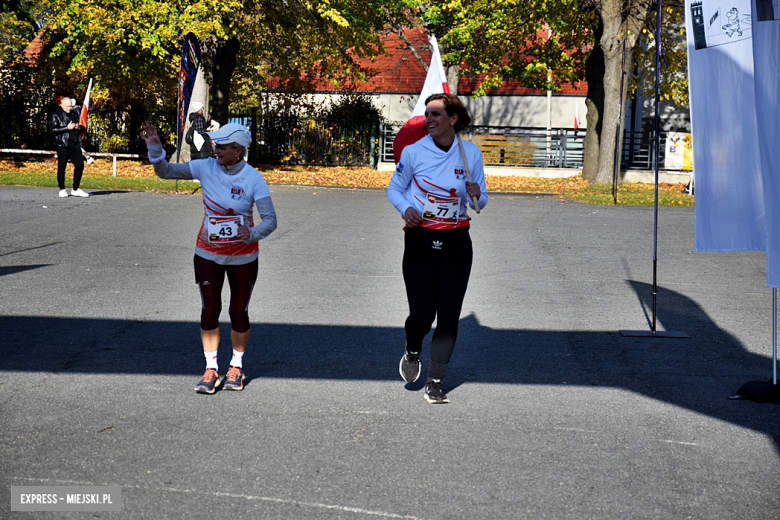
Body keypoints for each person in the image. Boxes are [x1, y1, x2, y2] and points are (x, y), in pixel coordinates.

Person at [140, 122, 277, 394]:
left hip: (243, 257)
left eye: (223, 146)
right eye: (216, 144)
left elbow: (270, 221)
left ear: (238, 151)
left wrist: (250, 233)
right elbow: (165, 172)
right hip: (207, 254)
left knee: (238, 312)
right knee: (209, 309)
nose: (216, 149)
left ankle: (236, 366)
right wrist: (155, 147)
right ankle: (211, 369)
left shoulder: (253, 178)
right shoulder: (205, 167)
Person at [386, 93, 488, 404]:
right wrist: (406, 208)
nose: (429, 119)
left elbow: (479, 202)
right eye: (427, 113)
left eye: (436, 114)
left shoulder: (469, 153)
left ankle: (435, 380)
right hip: (420, 240)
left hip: (457, 242)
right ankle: (413, 346)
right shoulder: (415, 152)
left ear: (453, 119)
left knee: (448, 315)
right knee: (421, 314)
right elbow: (394, 188)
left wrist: (476, 195)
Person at [50, 96, 89, 198]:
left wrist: (78, 127)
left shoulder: (74, 113)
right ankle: (62, 189)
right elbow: (53, 130)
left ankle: (75, 189)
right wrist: (66, 128)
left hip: (74, 144)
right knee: (62, 167)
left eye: (70, 106)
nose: (69, 108)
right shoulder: (56, 115)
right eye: (67, 106)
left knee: (80, 164)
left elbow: (82, 126)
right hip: (62, 145)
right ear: (61, 105)